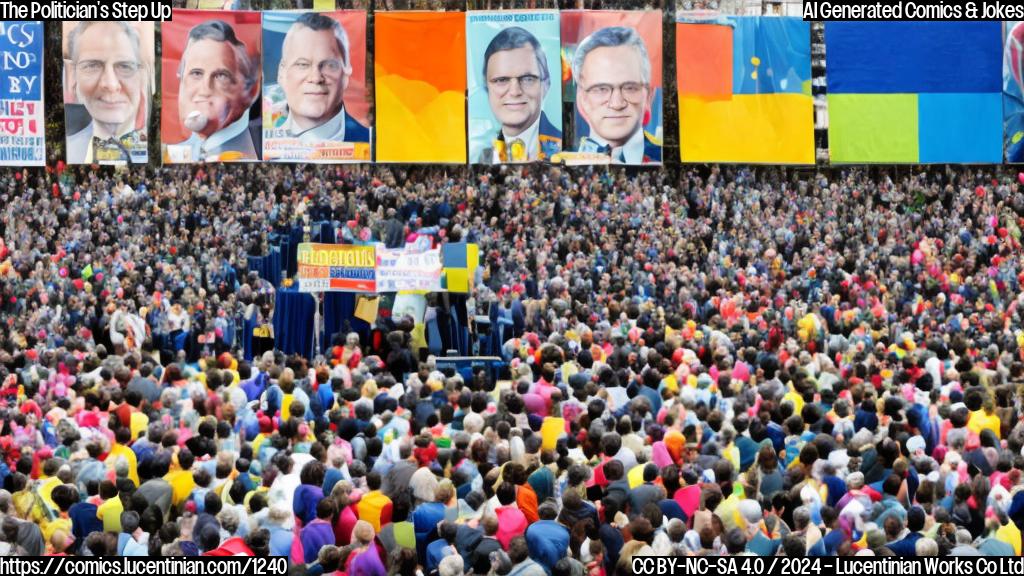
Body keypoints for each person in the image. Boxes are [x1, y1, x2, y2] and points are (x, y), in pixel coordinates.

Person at [268, 12, 369, 146]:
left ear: (345, 75)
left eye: (329, 65)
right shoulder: (258, 143)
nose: (316, 78)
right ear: (281, 73)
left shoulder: (371, 143)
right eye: (303, 64)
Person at [169, 20, 261, 162]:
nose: (205, 89)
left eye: (221, 76)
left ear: (250, 91)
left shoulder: (256, 150)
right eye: (196, 73)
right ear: (180, 80)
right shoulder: (173, 152)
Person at [572, 26, 661, 164]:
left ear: (649, 94)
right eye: (601, 89)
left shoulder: (664, 155)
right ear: (581, 99)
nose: (617, 104)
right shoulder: (560, 159)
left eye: (630, 88)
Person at [65, 22, 147, 164]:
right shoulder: (69, 148)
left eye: (125, 66)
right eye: (92, 65)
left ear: (141, 76)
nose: (111, 84)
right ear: (72, 75)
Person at [477, 27, 561, 164]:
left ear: (546, 85)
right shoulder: (485, 156)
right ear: (487, 89)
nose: (515, 92)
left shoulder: (564, 149)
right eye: (501, 80)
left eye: (527, 78)